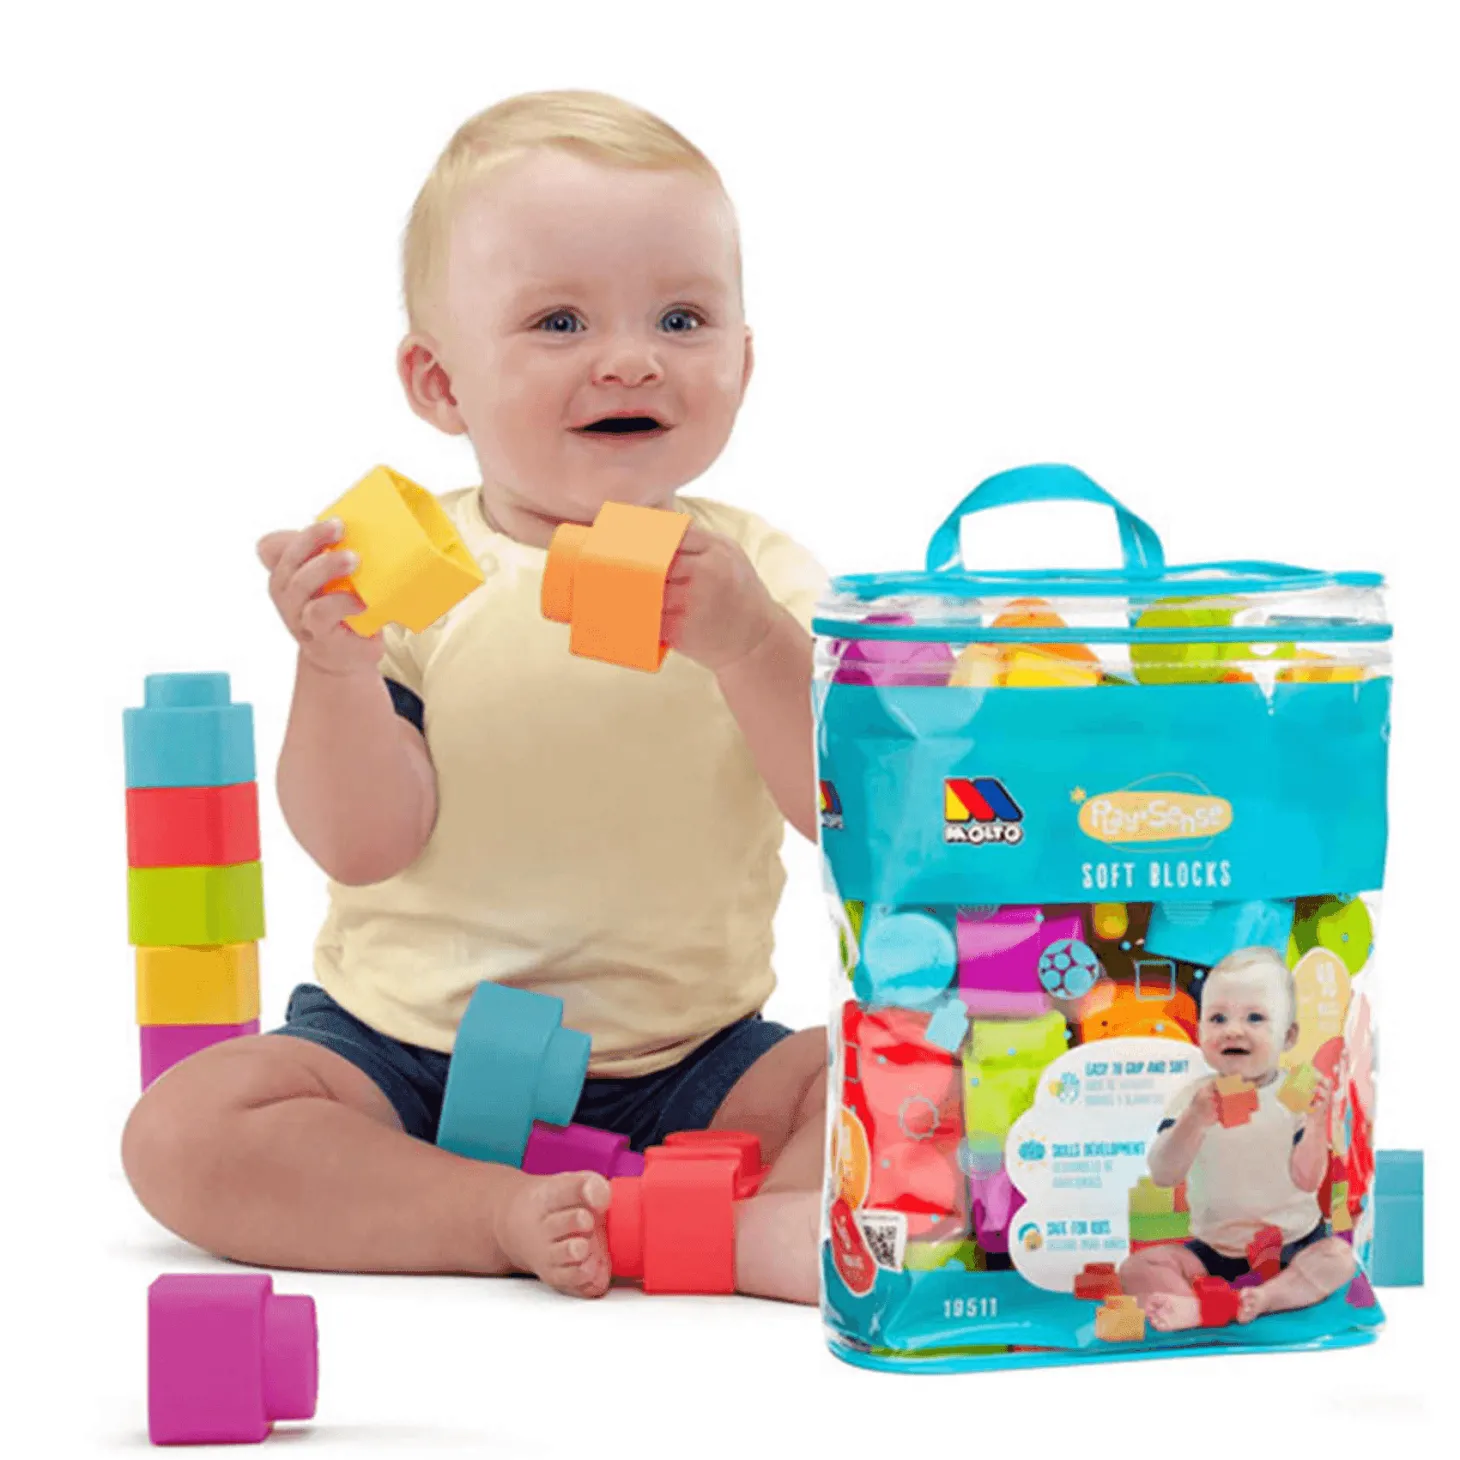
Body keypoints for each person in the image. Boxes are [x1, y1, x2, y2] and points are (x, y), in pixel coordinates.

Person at [123, 90, 828, 1305]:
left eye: (681, 317)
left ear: (743, 363)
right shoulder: (406, 577)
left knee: (886, 1070)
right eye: (558, 320)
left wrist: (752, 644)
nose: (631, 357)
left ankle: (660, 1222)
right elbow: (363, 840)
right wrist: (335, 667)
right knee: (183, 1131)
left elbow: (846, 814)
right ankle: (487, 1213)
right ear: (439, 383)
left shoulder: (758, 576)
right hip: (404, 1055)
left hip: (691, 1064)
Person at [1120, 947, 1355, 1328]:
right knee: (1137, 1268)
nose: (1232, 1030)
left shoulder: (1296, 1091)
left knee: (1338, 1258)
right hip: (1215, 1252)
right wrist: (1194, 1121)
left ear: (1288, 1035)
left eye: (1255, 1017)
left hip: (1294, 1245)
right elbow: (1163, 1174)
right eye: (1218, 1018)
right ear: (1200, 1032)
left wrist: (1316, 1124)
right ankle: (1200, 1308)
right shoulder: (1194, 1098)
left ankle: (1267, 1298)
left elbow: (1308, 1179)